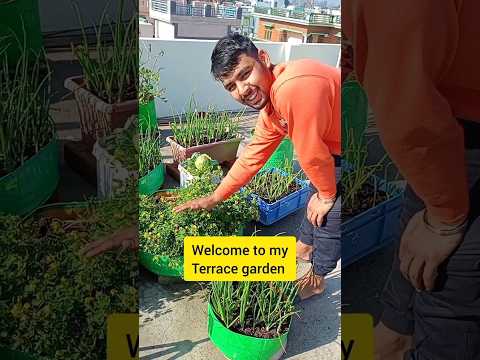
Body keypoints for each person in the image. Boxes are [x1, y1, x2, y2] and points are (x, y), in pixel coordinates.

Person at [343, 1, 480, 358]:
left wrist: (444, 218)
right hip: (440, 155)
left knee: (442, 326)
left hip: (458, 149)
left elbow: (410, 113)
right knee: (396, 321)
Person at [172, 34, 341, 299]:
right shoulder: (271, 110)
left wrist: (328, 195)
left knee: (331, 213)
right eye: (231, 86)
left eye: (245, 74)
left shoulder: (292, 87)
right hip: (333, 143)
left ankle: (317, 279)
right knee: (316, 196)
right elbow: (252, 157)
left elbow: (311, 154)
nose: (242, 89)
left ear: (263, 58)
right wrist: (214, 197)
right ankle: (304, 248)